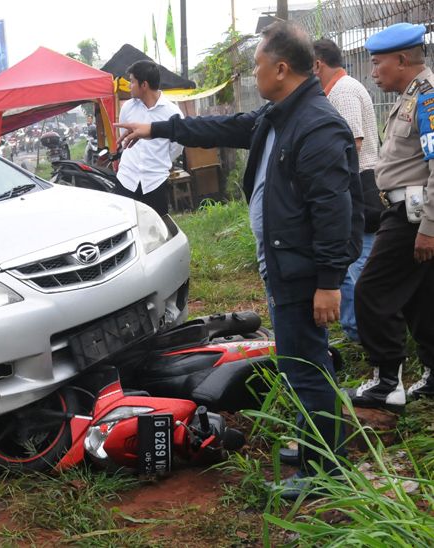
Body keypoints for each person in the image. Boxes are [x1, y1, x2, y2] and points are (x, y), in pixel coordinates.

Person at [117, 21, 363, 499]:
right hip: (283, 262)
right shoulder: (279, 114)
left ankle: (326, 472)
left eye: (257, 65)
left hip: (302, 270)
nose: (255, 73)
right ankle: (318, 442)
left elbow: (334, 209)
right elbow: (221, 126)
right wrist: (156, 128)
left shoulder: (315, 124)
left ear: (281, 68)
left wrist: (330, 281)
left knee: (305, 364)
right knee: (300, 361)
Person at [348, 23, 434, 410]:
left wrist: (429, 228)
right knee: (422, 297)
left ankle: (386, 381)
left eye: (377, 61)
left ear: (402, 60)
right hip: (408, 211)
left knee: (371, 291)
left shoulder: (428, 99)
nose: (372, 70)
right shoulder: (409, 98)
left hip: (415, 216)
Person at [313, 39, 383, 343]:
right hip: (353, 184)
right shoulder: (339, 89)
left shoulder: (344, 91)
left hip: (360, 184)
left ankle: (373, 335)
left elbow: (352, 145)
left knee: (360, 268)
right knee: (348, 264)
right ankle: (357, 330)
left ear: (317, 64)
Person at [115, 60, 184, 216]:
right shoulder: (127, 108)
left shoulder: (172, 113)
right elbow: (125, 140)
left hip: (155, 183)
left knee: (155, 233)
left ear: (144, 85)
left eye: (132, 81)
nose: (129, 86)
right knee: (124, 226)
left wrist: (159, 162)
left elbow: (177, 147)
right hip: (127, 180)